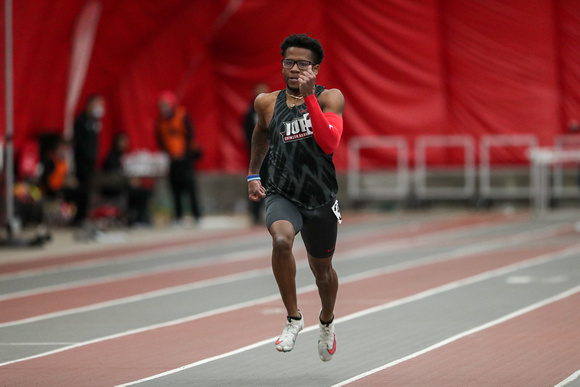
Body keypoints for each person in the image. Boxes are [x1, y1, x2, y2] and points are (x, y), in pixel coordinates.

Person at [247, 33, 345, 362]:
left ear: (315, 69)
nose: (293, 69)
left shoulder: (330, 98)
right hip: (282, 193)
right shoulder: (266, 102)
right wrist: (253, 173)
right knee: (280, 241)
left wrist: (310, 100)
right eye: (288, 62)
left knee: (323, 274)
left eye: (302, 64)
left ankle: (327, 321)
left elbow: (329, 143)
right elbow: (260, 131)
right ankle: (293, 319)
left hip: (319, 198)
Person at [155, 90, 202, 226]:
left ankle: (196, 215)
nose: (164, 107)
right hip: (172, 160)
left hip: (185, 158)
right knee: (175, 189)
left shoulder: (182, 115)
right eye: (161, 105)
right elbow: (160, 140)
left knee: (191, 188)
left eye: (165, 104)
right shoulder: (160, 122)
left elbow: (190, 134)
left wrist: (186, 154)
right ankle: (178, 216)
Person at [71, 94, 105, 227]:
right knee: (82, 190)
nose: (100, 108)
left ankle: (84, 215)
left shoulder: (95, 121)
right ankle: (78, 217)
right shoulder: (81, 120)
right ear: (90, 105)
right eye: (98, 105)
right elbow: (79, 143)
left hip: (91, 162)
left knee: (88, 190)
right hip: (82, 162)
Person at [243, 83, 270, 225]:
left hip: (271, 154)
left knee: (271, 182)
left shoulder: (273, 111)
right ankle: (255, 213)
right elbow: (247, 135)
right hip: (257, 155)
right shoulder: (249, 114)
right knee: (256, 182)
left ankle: (272, 210)